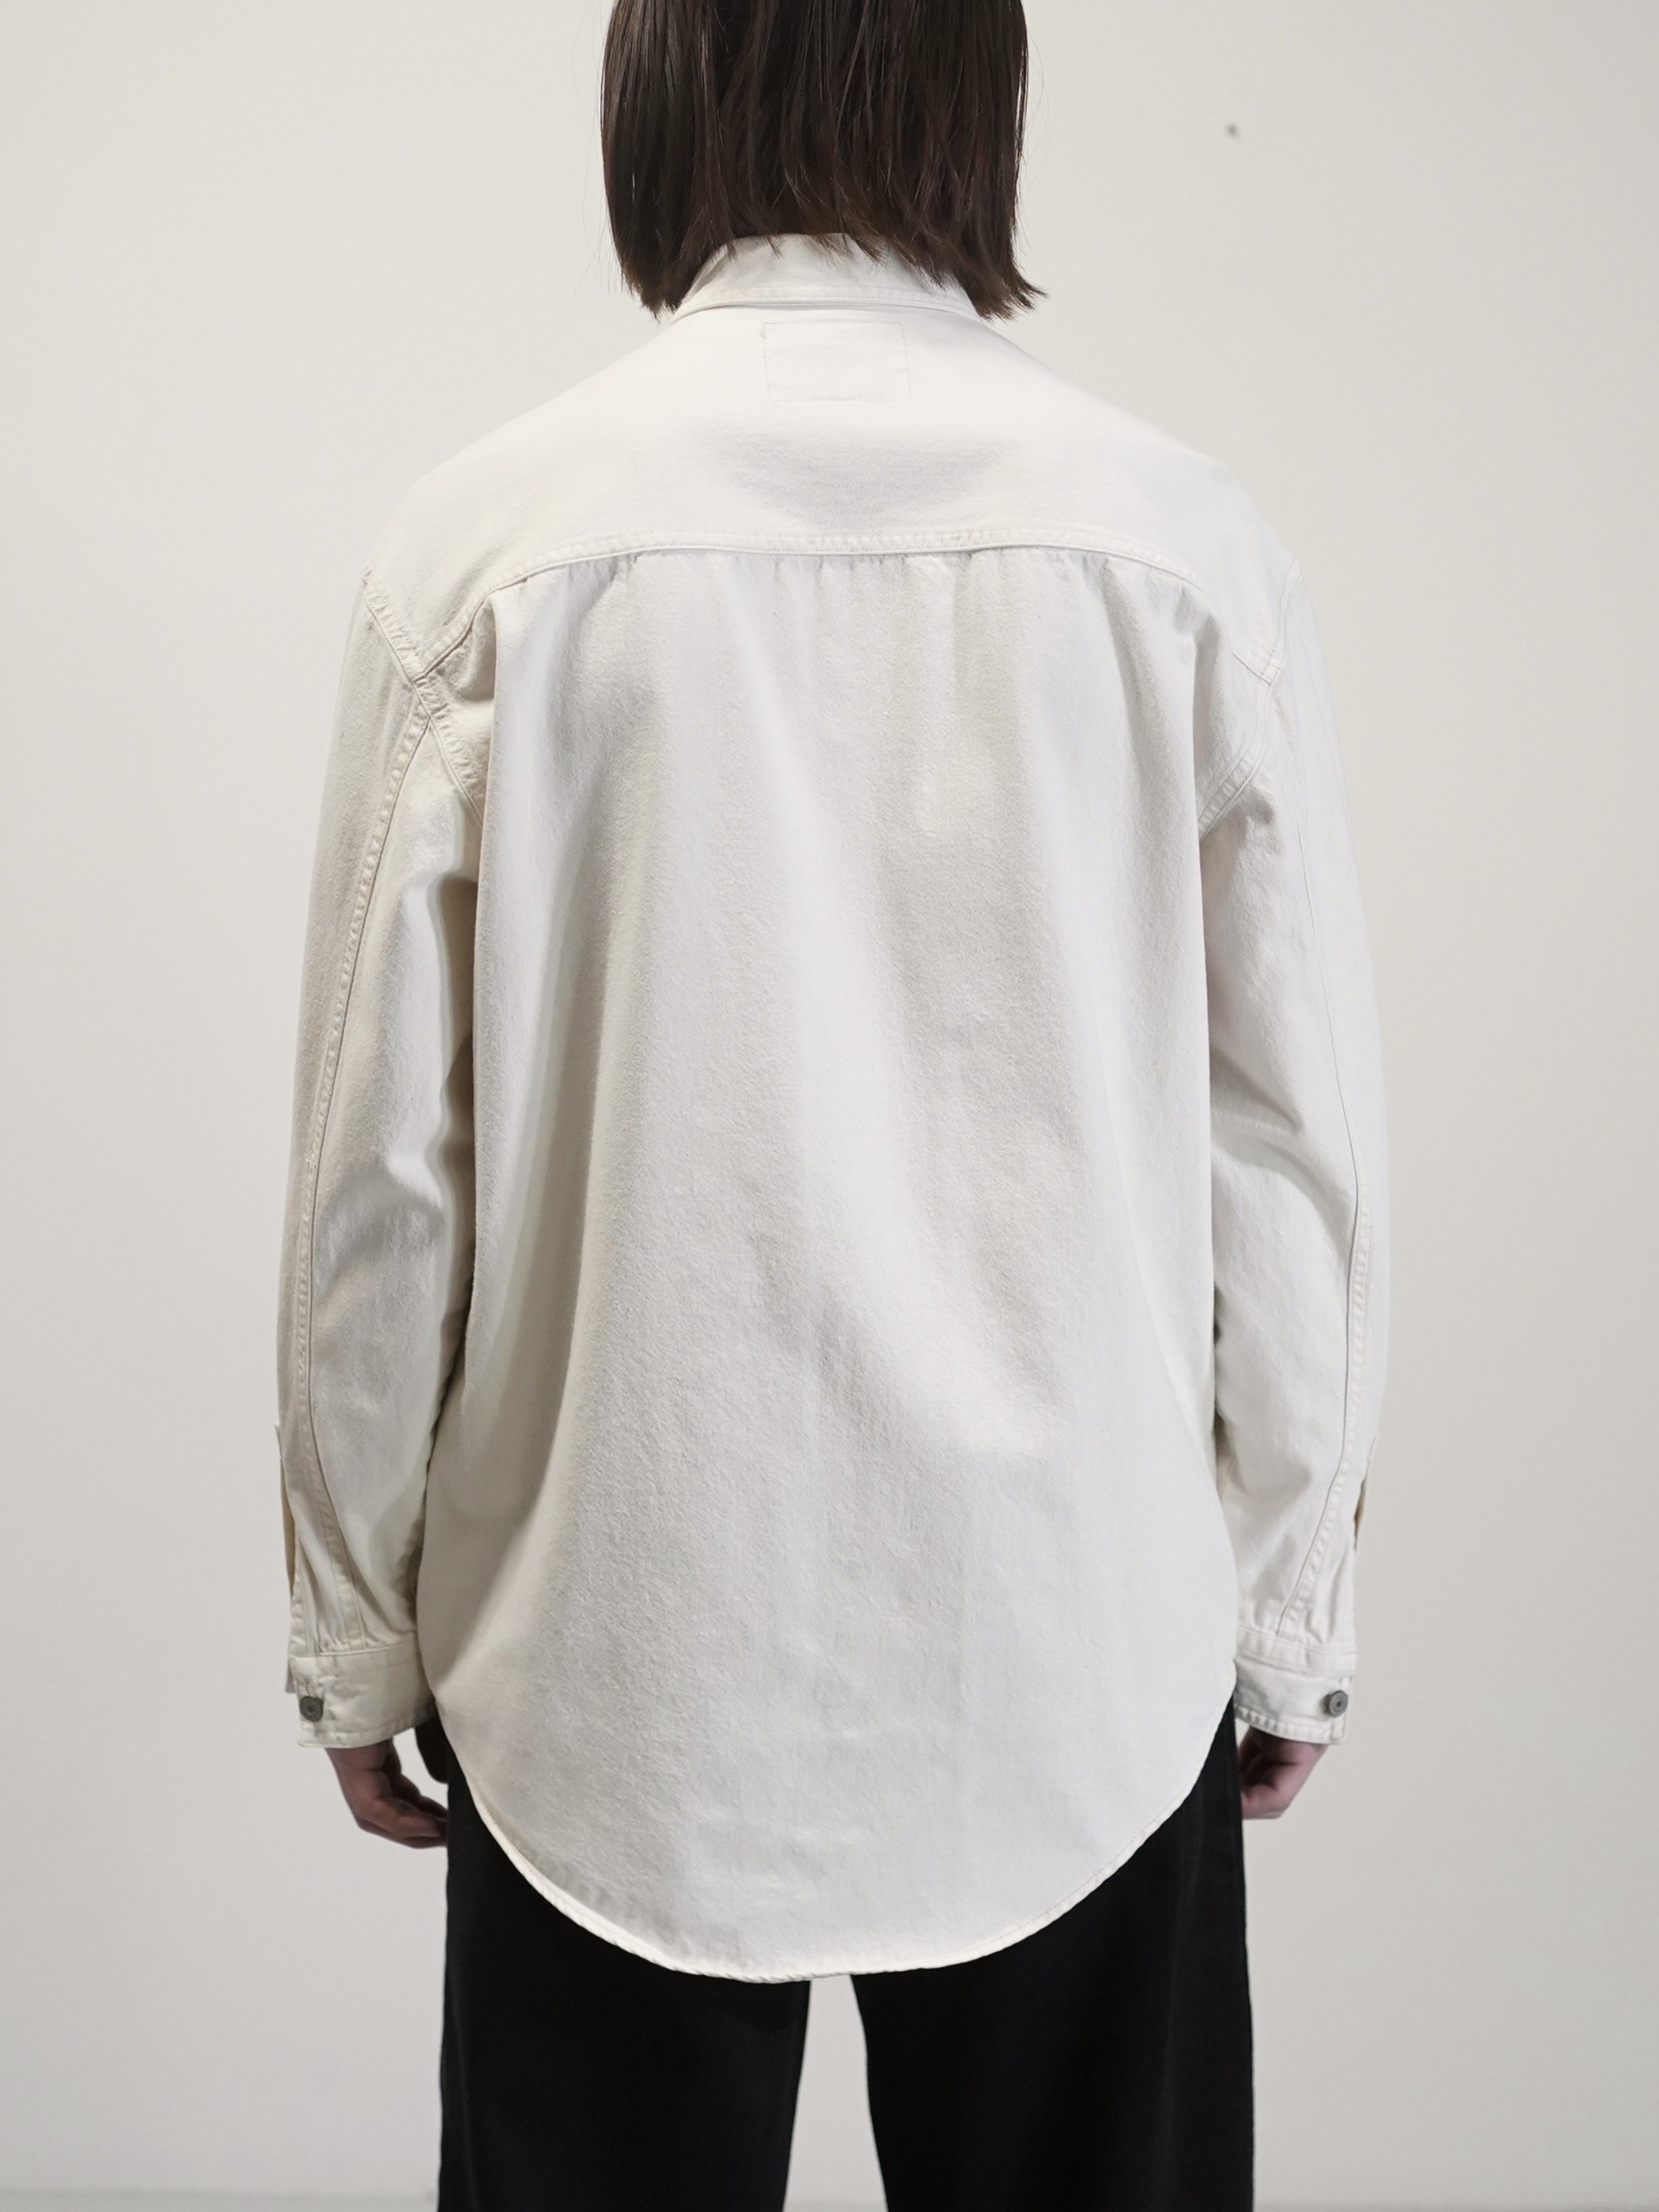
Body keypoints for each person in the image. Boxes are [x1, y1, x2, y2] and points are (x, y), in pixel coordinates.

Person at [275, 2, 1389, 2204]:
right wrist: (1285, 1606)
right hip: (1069, 1651)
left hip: (605, 1648)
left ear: (655, 97)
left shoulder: (486, 549)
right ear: (980, 105)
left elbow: (381, 1171)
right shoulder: (1177, 544)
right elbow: (1293, 1141)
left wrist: (358, 1625)